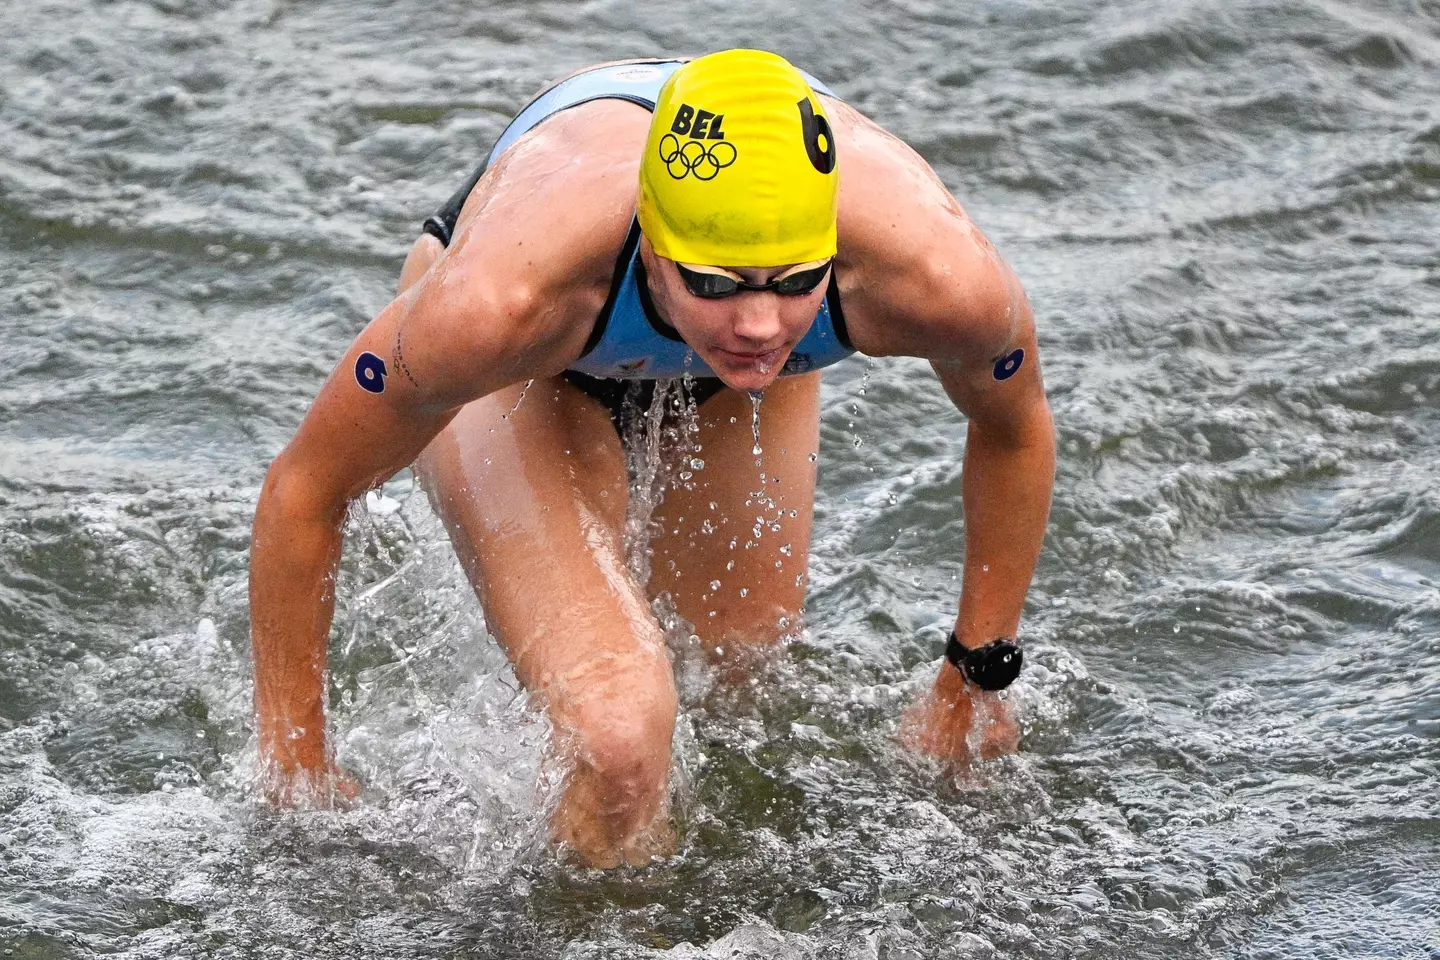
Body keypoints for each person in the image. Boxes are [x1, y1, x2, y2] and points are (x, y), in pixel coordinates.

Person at [249, 50, 1055, 867]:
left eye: (793, 283)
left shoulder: (936, 277)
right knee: (621, 738)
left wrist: (972, 676)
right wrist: (296, 771)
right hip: (536, 371)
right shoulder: (500, 305)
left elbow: (1016, 429)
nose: (760, 325)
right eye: (717, 283)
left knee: (738, 688)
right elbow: (306, 488)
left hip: (739, 390)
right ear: (655, 250)